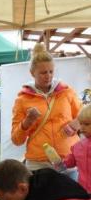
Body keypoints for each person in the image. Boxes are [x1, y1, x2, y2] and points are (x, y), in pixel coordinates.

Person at [11, 43, 81, 173]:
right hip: (38, 164)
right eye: (43, 72)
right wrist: (27, 122)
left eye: (51, 71)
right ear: (32, 73)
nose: (48, 76)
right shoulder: (22, 100)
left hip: (69, 160)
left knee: (74, 194)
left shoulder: (66, 92)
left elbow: (84, 117)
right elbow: (16, 140)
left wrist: (75, 124)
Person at [60, 104, 91, 193]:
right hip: (82, 189)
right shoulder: (78, 146)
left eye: (87, 124)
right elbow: (71, 161)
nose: (82, 127)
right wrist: (61, 163)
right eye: (81, 124)